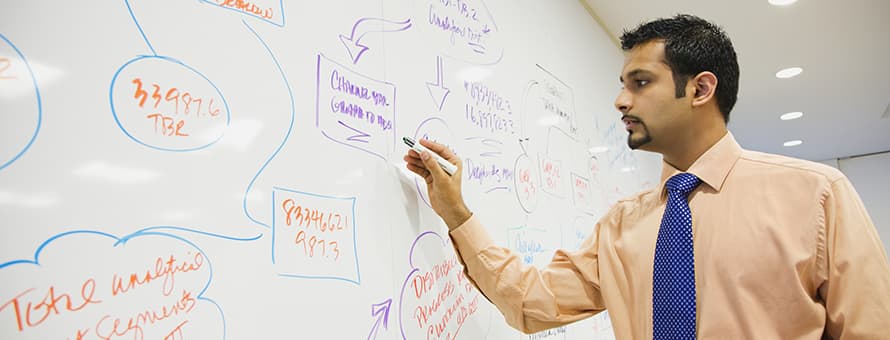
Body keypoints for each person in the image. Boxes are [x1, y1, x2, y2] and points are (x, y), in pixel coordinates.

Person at [403, 14, 890, 340]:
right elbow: (531, 302)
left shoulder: (816, 195)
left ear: (700, 89)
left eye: (640, 83)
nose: (620, 101)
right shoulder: (621, 226)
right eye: (621, 85)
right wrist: (456, 212)